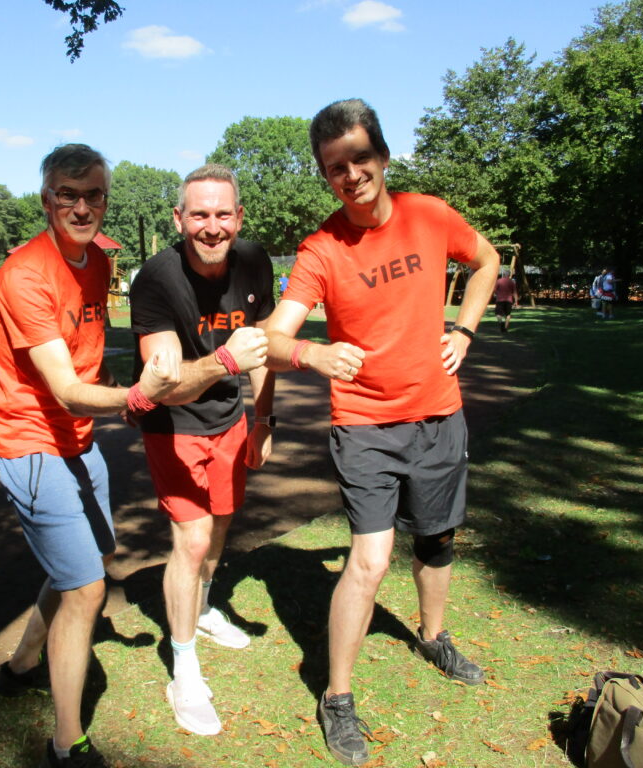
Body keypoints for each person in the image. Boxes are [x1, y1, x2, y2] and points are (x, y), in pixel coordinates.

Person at [263, 98, 499, 766]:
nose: (351, 175)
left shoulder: (430, 214)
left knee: (437, 538)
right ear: (325, 175)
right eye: (335, 167)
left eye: (360, 158)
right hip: (364, 424)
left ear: (384, 157)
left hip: (438, 413)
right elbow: (272, 339)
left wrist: (464, 330)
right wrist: (312, 354)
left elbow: (485, 261)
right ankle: (337, 697)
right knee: (369, 560)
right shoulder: (321, 249)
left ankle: (433, 636)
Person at [0, 143, 180, 768]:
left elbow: (91, 355)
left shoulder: (97, 261)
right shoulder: (24, 274)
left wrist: (129, 386)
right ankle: (66, 745)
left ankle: (20, 667)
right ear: (47, 200)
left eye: (93, 195)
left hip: (77, 441)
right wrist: (138, 396)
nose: (81, 207)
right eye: (67, 195)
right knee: (87, 590)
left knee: (93, 560)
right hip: (31, 444)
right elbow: (66, 388)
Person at [130, 164, 275, 736]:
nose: (211, 227)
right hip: (173, 424)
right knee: (191, 539)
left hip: (230, 418)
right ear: (178, 218)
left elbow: (264, 347)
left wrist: (263, 418)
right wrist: (226, 361)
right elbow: (164, 386)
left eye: (222, 214)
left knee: (220, 525)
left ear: (238, 217)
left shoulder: (254, 261)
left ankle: (206, 606)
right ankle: (184, 669)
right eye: (199, 215)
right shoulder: (156, 280)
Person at [493, 269, 518, 333]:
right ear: (509, 275)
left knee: (498, 314)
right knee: (508, 314)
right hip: (509, 300)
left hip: (500, 300)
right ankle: (505, 328)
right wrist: (516, 301)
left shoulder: (499, 281)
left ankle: (501, 324)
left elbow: (494, 290)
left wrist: (497, 293)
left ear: (503, 274)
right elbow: (515, 292)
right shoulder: (512, 282)